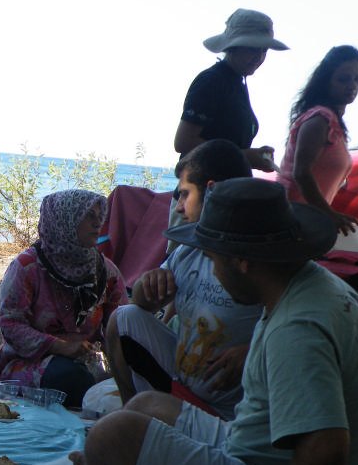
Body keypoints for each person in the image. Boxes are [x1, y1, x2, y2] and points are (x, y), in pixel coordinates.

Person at [71, 178, 358, 465]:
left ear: (241, 261)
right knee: (147, 406)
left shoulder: (299, 328)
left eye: (213, 258)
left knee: (108, 438)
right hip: (260, 464)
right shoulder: (304, 286)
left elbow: (325, 448)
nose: (213, 270)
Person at [105, 140, 258, 420]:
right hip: (182, 382)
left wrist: (255, 351)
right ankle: (130, 416)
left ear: (211, 191)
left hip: (229, 413)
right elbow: (140, 303)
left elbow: (301, 325)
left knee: (116, 436)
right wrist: (147, 286)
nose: (178, 208)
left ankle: (136, 425)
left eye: (185, 194)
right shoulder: (189, 248)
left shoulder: (261, 261)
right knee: (123, 317)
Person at [0, 190, 127, 408]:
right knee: (72, 379)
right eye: (89, 216)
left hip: (90, 362)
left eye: (98, 217)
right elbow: (11, 325)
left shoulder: (105, 271)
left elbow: (120, 322)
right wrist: (59, 346)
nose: (97, 224)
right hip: (31, 362)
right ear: (65, 220)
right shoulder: (27, 267)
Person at [276, 46, 358, 253]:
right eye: (343, 79)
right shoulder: (319, 119)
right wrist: (329, 214)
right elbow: (301, 173)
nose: (352, 85)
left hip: (306, 220)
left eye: (357, 78)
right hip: (292, 221)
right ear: (327, 81)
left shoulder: (332, 121)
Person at [174, 9, 288, 173]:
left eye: (264, 50)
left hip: (221, 192)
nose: (259, 57)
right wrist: (245, 156)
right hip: (201, 191)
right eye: (253, 48)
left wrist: (255, 156)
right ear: (233, 47)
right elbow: (183, 142)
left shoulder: (235, 82)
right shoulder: (212, 80)